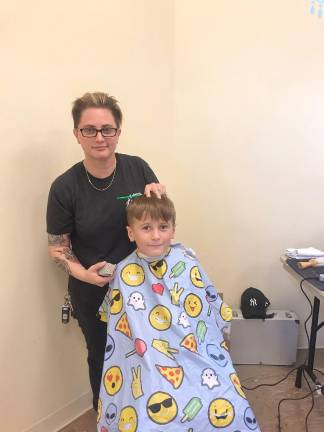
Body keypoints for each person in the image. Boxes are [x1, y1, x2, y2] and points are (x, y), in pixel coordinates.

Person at [97, 195, 260, 432]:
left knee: (232, 405)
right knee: (145, 417)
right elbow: (117, 329)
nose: (156, 235)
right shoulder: (122, 273)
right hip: (146, 360)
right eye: (146, 228)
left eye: (163, 227)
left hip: (195, 351)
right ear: (131, 233)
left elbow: (211, 310)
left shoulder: (187, 262)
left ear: (173, 230)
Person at [46, 92, 166, 411]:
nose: (100, 137)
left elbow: (156, 224)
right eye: (89, 130)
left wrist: (160, 199)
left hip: (143, 287)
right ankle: (108, 418)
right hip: (94, 294)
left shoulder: (138, 169)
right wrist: (83, 274)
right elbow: (57, 248)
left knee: (149, 353)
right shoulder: (64, 187)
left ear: (118, 132)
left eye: (107, 129)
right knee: (103, 360)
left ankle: (148, 418)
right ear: (77, 134)